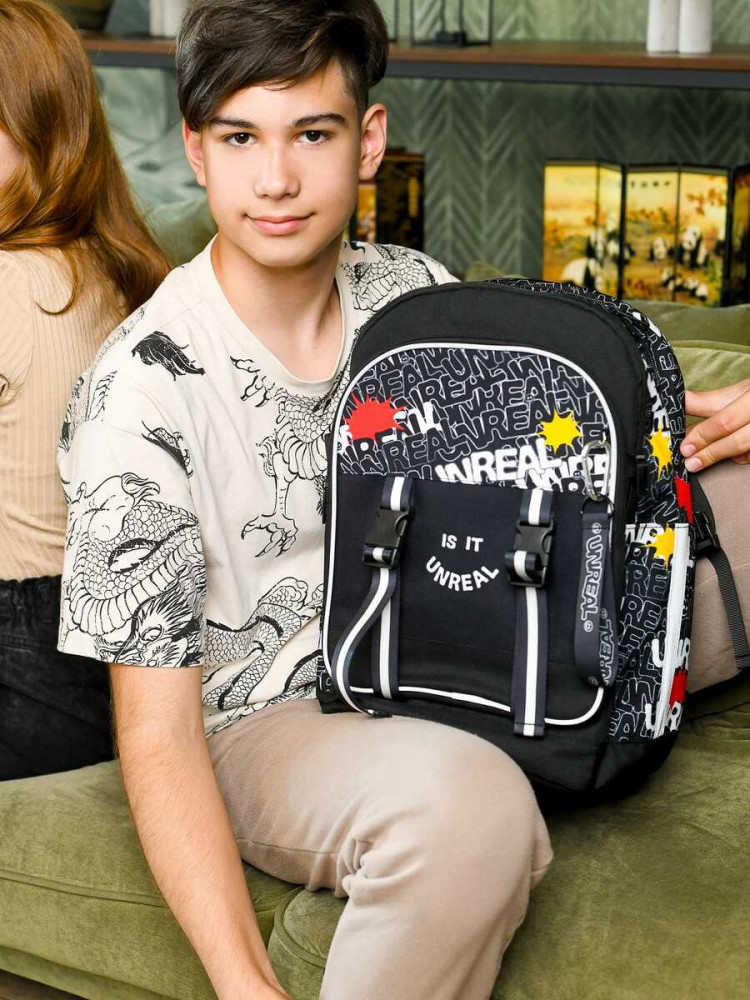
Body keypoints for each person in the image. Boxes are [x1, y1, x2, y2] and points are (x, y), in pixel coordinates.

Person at [56, 2, 750, 998]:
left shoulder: (413, 295)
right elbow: (158, 735)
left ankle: (577, 714)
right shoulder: (139, 390)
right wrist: (242, 983)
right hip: (272, 718)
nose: (276, 179)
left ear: (369, 142)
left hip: (460, 629)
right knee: (469, 808)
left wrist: (703, 411)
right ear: (196, 151)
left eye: (313, 134)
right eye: (242, 138)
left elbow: (569, 441)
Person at [0, 0, 170, 781]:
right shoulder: (113, 269)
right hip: (97, 657)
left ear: (40, 134)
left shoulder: (12, 282)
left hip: (19, 662)